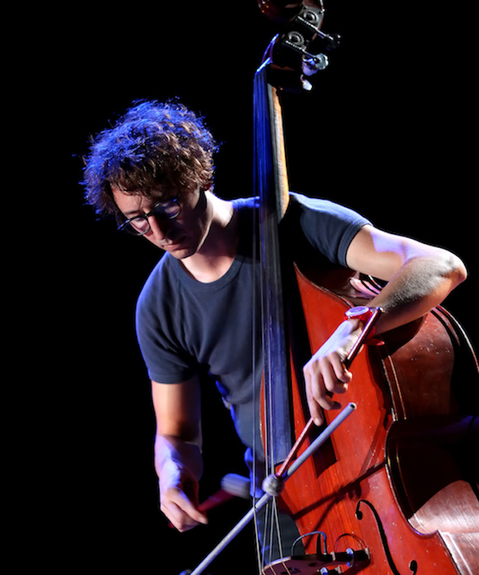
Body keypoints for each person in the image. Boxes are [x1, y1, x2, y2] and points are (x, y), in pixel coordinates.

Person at [82, 99, 467, 535]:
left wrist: (354, 327)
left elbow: (439, 265)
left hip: (375, 463)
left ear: (201, 178)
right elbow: (177, 434)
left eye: (167, 206)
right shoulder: (158, 306)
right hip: (285, 496)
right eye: (137, 220)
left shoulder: (291, 221)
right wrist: (170, 474)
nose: (158, 232)